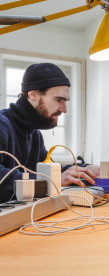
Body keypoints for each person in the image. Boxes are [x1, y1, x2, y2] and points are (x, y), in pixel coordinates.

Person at [0, 63, 99, 203]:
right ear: (33, 94)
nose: (64, 109)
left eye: (66, 101)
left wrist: (85, 170)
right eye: (58, 99)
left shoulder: (34, 134)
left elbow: (48, 171)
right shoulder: (2, 126)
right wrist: (53, 181)